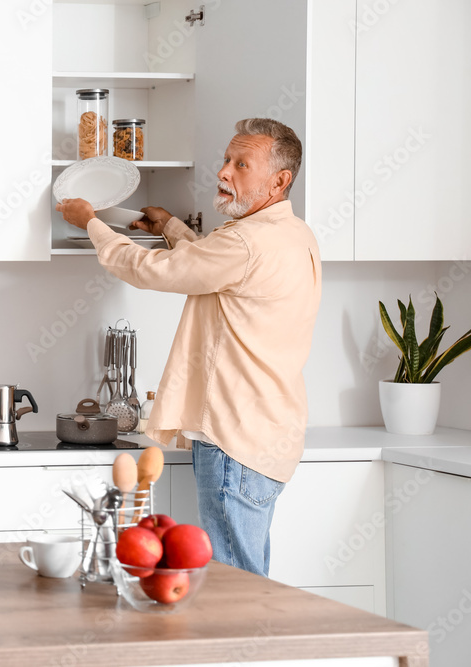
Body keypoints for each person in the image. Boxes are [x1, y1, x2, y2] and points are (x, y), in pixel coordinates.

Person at [57, 118, 321, 577]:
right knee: (247, 578)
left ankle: (241, 651)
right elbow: (209, 265)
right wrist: (172, 227)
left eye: (242, 164)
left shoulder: (245, 242)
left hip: (234, 441)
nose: (223, 172)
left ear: (279, 181)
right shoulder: (293, 234)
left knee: (233, 585)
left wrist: (92, 223)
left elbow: (154, 271)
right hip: (268, 435)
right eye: (226, 160)